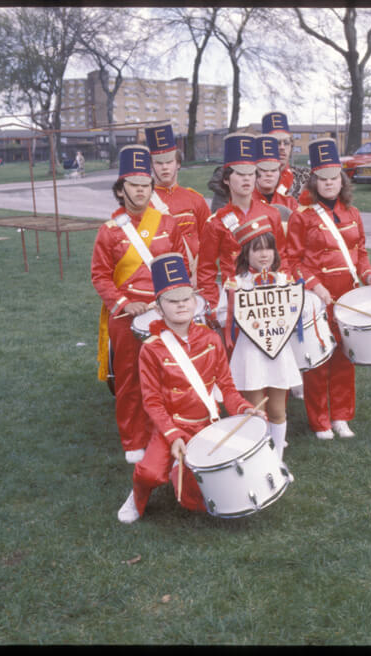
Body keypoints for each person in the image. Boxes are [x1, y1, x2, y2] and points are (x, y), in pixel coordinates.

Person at [117, 252, 265, 523]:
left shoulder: (211, 338)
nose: (181, 305)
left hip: (207, 423)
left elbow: (227, 388)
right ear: (159, 309)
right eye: (172, 301)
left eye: (186, 298)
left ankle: (181, 471)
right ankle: (137, 497)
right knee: (150, 474)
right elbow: (151, 402)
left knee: (198, 497)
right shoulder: (151, 349)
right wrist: (173, 436)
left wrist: (245, 409)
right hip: (171, 426)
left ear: (195, 302)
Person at [281, 138, 371, 440]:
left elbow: (361, 252)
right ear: (315, 181)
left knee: (345, 358)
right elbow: (292, 261)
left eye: (334, 179)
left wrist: (369, 276)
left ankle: (341, 416)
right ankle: (319, 421)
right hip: (318, 299)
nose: (329, 184)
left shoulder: (353, 213)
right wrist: (315, 286)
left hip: (350, 296)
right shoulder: (303, 216)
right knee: (319, 360)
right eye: (323, 179)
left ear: (341, 181)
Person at [91, 145, 190, 465]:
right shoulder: (109, 232)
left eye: (145, 185)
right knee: (131, 380)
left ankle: (167, 434)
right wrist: (123, 302)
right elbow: (100, 276)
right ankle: (133, 439)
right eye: (133, 185)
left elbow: (182, 269)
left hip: (166, 312)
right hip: (128, 315)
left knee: (171, 377)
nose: (141, 191)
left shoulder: (167, 224)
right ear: (121, 190)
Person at [215, 216, 303, 460]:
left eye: (269, 249)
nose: (264, 255)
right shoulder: (236, 284)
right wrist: (240, 315)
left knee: (277, 410)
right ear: (246, 253)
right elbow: (223, 315)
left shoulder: (285, 281)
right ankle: (258, 458)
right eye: (257, 249)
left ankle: (277, 460)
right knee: (255, 411)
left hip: (278, 353)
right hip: (250, 354)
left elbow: (295, 311)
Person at [197, 133, 287, 309]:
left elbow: (282, 257)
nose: (246, 179)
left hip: (271, 299)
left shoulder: (272, 214)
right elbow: (206, 271)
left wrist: (284, 290)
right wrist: (214, 306)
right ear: (226, 179)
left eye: (251, 173)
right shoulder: (216, 222)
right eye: (239, 174)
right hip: (235, 301)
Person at [145, 122, 209, 281]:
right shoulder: (144, 203)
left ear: (178, 164)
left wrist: (199, 272)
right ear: (152, 166)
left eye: (169, 162)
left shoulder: (195, 199)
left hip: (195, 277)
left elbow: (209, 241)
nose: (165, 167)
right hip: (159, 278)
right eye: (159, 163)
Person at [262, 111, 310, 200]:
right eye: (276, 143)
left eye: (286, 143)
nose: (282, 147)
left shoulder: (306, 177)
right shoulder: (253, 178)